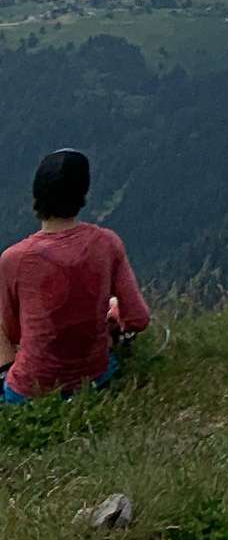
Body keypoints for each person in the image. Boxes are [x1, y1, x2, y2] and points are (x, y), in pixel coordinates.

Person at [0, 149, 151, 404]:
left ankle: (4, 385)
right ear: (83, 195)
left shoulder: (14, 259)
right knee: (112, 304)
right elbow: (139, 319)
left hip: (30, 391)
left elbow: (12, 333)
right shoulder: (107, 243)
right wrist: (113, 322)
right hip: (96, 380)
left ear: (36, 196)